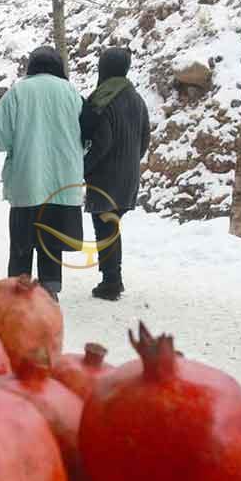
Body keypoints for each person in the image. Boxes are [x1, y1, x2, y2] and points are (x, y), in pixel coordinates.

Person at [0, 46, 84, 301]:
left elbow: (3, 138)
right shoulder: (71, 92)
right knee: (51, 239)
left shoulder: (18, 92)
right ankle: (50, 290)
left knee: (22, 240)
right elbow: (85, 135)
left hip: (26, 181)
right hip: (63, 183)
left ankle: (18, 289)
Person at [80, 47, 151, 301]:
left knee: (106, 226)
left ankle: (112, 281)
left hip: (106, 175)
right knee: (110, 225)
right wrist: (131, 161)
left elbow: (102, 141)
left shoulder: (104, 98)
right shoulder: (137, 99)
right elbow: (145, 138)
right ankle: (112, 277)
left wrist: (84, 167)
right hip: (129, 174)